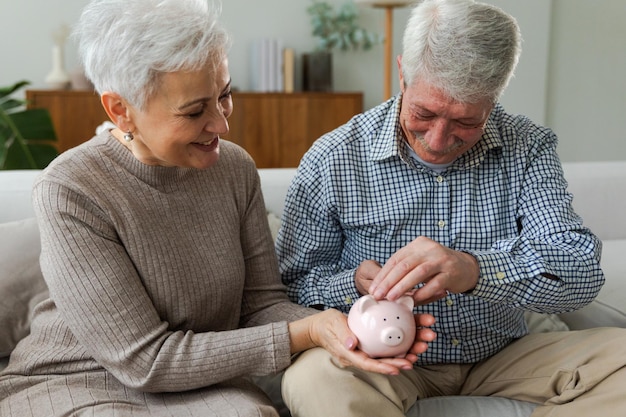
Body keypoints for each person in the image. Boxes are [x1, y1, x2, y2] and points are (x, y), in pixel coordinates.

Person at [0, 1, 437, 416]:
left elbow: (262, 305)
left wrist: (348, 326)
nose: (222, 125)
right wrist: (303, 333)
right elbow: (143, 362)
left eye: (224, 96)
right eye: (193, 112)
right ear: (121, 110)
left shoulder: (232, 168)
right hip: (77, 382)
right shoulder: (72, 190)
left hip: (203, 385)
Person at [277, 0, 626, 416]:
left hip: (504, 352)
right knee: (312, 380)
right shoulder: (334, 157)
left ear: (494, 98)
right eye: (424, 113)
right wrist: (351, 284)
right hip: (381, 360)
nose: (439, 140)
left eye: (467, 121)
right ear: (403, 73)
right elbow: (291, 287)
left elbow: (581, 270)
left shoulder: (527, 147)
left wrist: (474, 270)